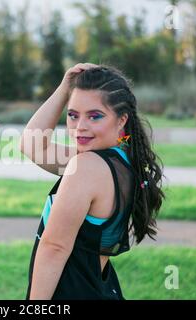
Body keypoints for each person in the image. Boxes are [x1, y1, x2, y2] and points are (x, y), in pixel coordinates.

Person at [20, 63, 166, 300]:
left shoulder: (86, 168)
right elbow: (32, 145)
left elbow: (54, 248)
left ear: (121, 120)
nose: (80, 127)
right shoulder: (120, 161)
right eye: (73, 115)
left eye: (95, 116)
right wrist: (64, 89)